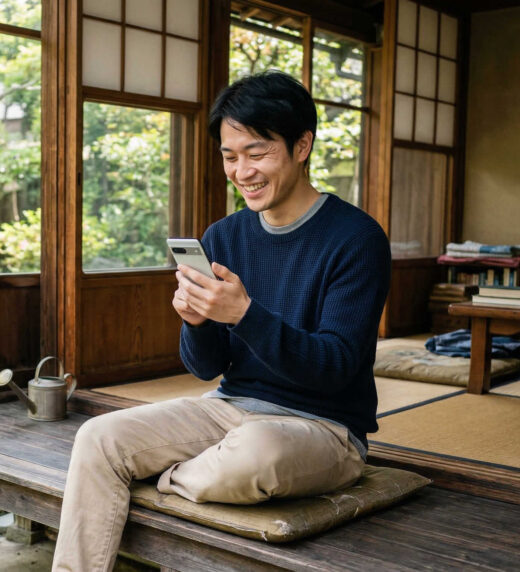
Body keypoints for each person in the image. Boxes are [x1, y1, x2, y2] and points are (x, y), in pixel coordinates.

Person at [51, 71, 391, 572]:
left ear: (302, 146)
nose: (242, 171)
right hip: (229, 408)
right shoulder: (225, 235)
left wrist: (243, 314)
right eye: (230, 156)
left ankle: (161, 475)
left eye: (257, 153)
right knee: (99, 438)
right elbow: (208, 368)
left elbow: (336, 367)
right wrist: (196, 321)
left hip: (325, 428)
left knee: (259, 451)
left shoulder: (357, 238)